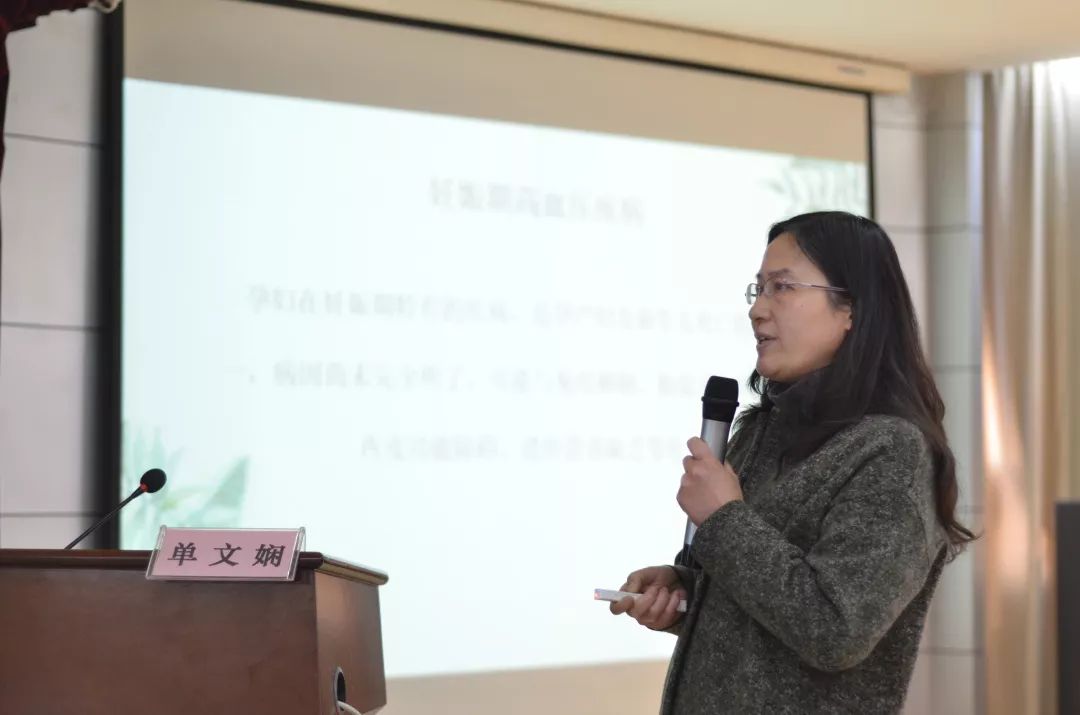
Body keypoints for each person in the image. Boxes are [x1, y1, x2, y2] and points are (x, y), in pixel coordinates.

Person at [611, 211, 976, 714]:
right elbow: (762, 601)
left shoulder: (891, 452)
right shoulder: (760, 430)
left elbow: (836, 628)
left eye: (782, 288)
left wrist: (723, 519)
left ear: (852, 308)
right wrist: (683, 592)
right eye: (758, 289)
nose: (757, 310)